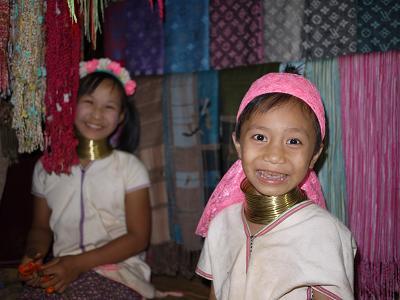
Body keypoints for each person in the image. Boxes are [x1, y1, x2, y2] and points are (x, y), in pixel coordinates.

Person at [195, 72, 357, 299]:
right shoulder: (221, 223)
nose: (274, 155)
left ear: (314, 155)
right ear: (238, 145)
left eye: (293, 141)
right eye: (260, 137)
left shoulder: (324, 233)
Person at [18, 58, 156, 299]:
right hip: (61, 265)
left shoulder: (130, 168)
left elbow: (138, 238)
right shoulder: (47, 167)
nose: (97, 114)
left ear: (122, 116)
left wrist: (77, 264)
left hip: (119, 269)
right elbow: (40, 228)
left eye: (109, 107)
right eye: (89, 102)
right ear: (71, 105)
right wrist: (34, 254)